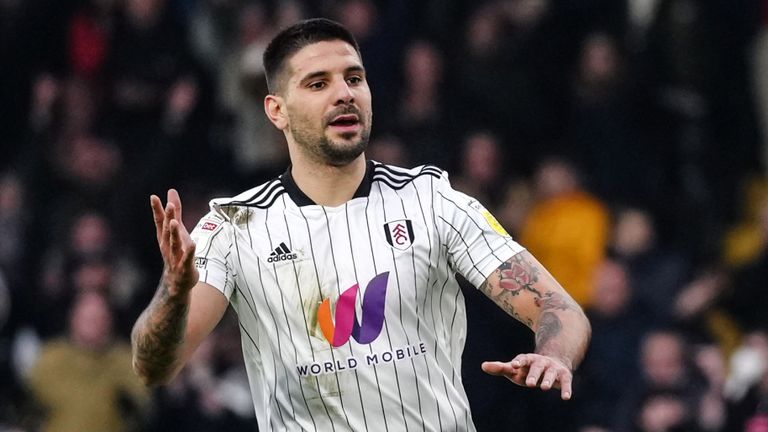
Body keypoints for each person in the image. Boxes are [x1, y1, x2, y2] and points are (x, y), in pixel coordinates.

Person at [131, 18, 591, 431]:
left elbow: (559, 309)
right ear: (277, 110)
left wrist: (554, 355)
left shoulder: (433, 200)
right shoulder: (235, 226)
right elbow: (153, 366)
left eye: (354, 78)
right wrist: (173, 294)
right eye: (318, 83)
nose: (344, 93)